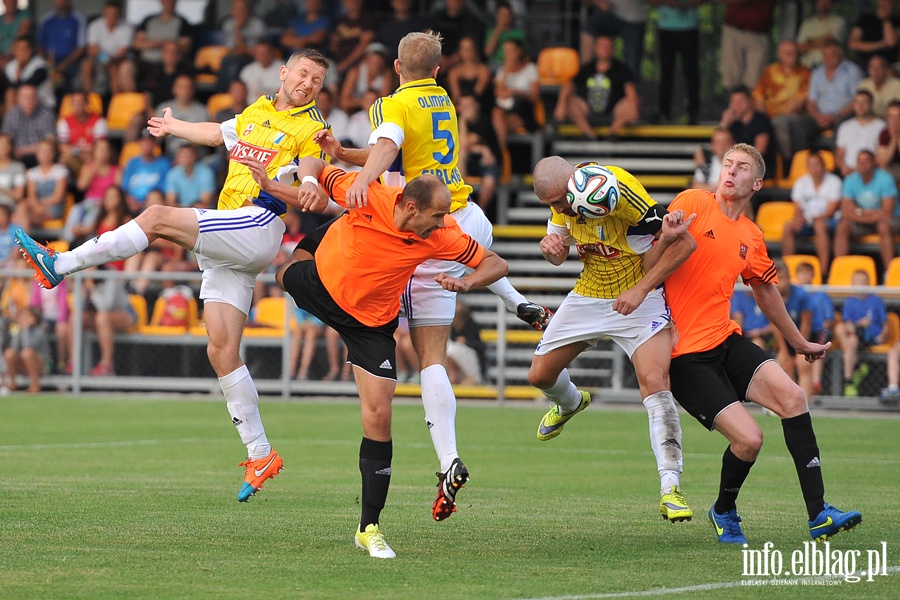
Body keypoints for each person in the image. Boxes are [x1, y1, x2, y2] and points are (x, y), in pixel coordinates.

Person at [15, 48, 333, 503]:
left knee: (159, 215)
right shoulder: (256, 111)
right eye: (303, 73)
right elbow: (216, 134)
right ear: (284, 73)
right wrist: (172, 127)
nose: (308, 84)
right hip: (233, 241)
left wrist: (294, 184)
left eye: (317, 80)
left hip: (257, 223)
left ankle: (60, 264)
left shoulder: (312, 127)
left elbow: (309, 185)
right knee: (222, 350)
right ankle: (260, 452)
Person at [311, 31, 553, 522]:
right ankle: (516, 301)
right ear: (438, 70)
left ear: (396, 67)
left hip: (432, 228)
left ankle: (448, 460)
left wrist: (357, 178)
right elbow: (402, 155)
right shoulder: (441, 98)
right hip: (467, 214)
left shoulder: (389, 103)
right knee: (474, 264)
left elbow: (389, 145)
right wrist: (344, 153)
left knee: (431, 359)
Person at [247, 155, 508, 559]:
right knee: (284, 273)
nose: (443, 223)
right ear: (409, 206)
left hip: (370, 325)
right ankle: (326, 236)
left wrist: (466, 282)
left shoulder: (442, 235)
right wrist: (291, 182)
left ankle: (368, 527)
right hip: (321, 286)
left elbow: (496, 262)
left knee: (379, 416)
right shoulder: (366, 193)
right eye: (437, 215)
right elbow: (313, 173)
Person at [663, 142, 862, 544]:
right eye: (726, 165)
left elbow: (767, 292)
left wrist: (799, 341)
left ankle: (819, 514)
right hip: (685, 355)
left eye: (740, 168)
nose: (730, 172)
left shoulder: (751, 235)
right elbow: (650, 251)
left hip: (725, 339)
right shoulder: (693, 202)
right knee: (750, 439)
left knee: (794, 399)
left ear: (757, 183)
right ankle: (723, 510)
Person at [529, 157, 697, 521]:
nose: (558, 210)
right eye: (552, 206)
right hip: (589, 293)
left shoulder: (620, 191)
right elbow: (557, 248)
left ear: (574, 183)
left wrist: (640, 289)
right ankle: (571, 403)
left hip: (640, 297)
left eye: (559, 202)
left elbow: (683, 244)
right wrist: (551, 249)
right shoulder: (564, 198)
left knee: (656, 384)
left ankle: (671, 489)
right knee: (539, 376)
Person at [555, 34, 639, 140]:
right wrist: (561, 104)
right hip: (588, 114)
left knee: (630, 103)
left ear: (613, 49)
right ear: (595, 48)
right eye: (601, 46)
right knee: (571, 102)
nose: (604, 49)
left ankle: (612, 134)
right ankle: (589, 135)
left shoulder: (622, 69)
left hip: (613, 114)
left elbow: (631, 91)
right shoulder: (587, 68)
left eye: (608, 46)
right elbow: (569, 84)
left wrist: (633, 109)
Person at [833, 149, 898, 271]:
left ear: (874, 162)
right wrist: (870, 214)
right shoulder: (850, 180)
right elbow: (846, 212)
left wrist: (859, 211)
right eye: (859, 161)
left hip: (890, 220)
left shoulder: (885, 179)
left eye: (866, 160)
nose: (862, 164)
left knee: (883, 226)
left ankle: (890, 272)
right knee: (842, 226)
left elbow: (886, 212)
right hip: (865, 221)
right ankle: (839, 270)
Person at [781, 151, 841, 273]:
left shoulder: (834, 181)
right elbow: (798, 207)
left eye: (817, 164)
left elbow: (832, 209)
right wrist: (799, 218)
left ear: (824, 165)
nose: (813, 168)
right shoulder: (801, 182)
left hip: (829, 220)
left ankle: (823, 272)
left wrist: (816, 218)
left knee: (819, 226)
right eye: (810, 165)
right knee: (789, 226)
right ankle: (786, 269)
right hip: (807, 220)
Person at [834, 269, 886, 397]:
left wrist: (882, 336)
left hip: (870, 335)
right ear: (852, 283)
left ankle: (849, 375)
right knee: (842, 329)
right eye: (858, 281)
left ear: (869, 283)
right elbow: (847, 323)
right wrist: (857, 325)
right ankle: (852, 372)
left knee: (851, 339)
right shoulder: (849, 301)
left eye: (864, 281)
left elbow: (885, 324)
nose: (861, 284)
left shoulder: (876, 301)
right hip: (855, 335)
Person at [771, 258, 814, 399]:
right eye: (774, 278)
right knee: (784, 363)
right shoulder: (770, 296)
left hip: (805, 335)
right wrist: (783, 350)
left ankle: (806, 405)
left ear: (789, 277)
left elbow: (806, 323)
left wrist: (801, 349)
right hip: (784, 337)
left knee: (804, 364)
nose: (778, 282)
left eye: (781, 278)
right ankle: (791, 402)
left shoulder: (801, 295)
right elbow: (775, 325)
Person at [794, 260, 834, 396]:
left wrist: (823, 326)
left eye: (807, 273)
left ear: (813, 275)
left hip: (816, 331)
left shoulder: (821, 295)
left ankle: (815, 381)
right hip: (796, 332)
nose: (805, 277)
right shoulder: (794, 295)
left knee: (818, 347)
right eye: (802, 274)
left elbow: (829, 318)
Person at [835, 90, 884, 176]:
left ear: (871, 104)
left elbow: (881, 155)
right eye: (857, 102)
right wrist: (843, 167)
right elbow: (839, 153)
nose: (860, 106)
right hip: (849, 173)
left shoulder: (881, 126)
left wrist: (864, 169)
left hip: (873, 172)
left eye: (864, 102)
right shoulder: (845, 126)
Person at [2, 305, 50, 393]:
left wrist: (26, 329)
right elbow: (14, 348)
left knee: (27, 353)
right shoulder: (19, 330)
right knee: (9, 353)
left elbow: (28, 346)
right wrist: (19, 331)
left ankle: (35, 384)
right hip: (24, 365)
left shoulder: (40, 331)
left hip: (39, 367)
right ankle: (12, 383)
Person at [796, 0, 846, 69]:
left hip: (829, 65)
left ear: (832, 5)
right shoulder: (807, 24)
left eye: (827, 2)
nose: (823, 5)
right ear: (816, 4)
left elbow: (830, 41)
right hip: (807, 65)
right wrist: (823, 40)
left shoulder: (839, 21)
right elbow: (800, 48)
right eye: (821, 2)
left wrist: (809, 42)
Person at [691, 127, 733, 193]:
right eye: (718, 142)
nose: (721, 146)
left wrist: (709, 188)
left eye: (725, 142)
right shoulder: (706, 164)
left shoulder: (738, 165)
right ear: (712, 145)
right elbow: (696, 186)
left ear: (732, 143)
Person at [858, 54, 900, 118]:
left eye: (879, 67)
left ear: (886, 69)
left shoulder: (897, 85)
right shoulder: (864, 84)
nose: (875, 71)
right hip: (870, 121)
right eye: (872, 67)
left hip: (891, 121)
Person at [876, 99, 900, 183]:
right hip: (890, 171)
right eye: (891, 116)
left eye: (898, 116)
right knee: (882, 172)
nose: (895, 120)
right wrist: (894, 139)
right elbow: (883, 162)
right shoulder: (884, 133)